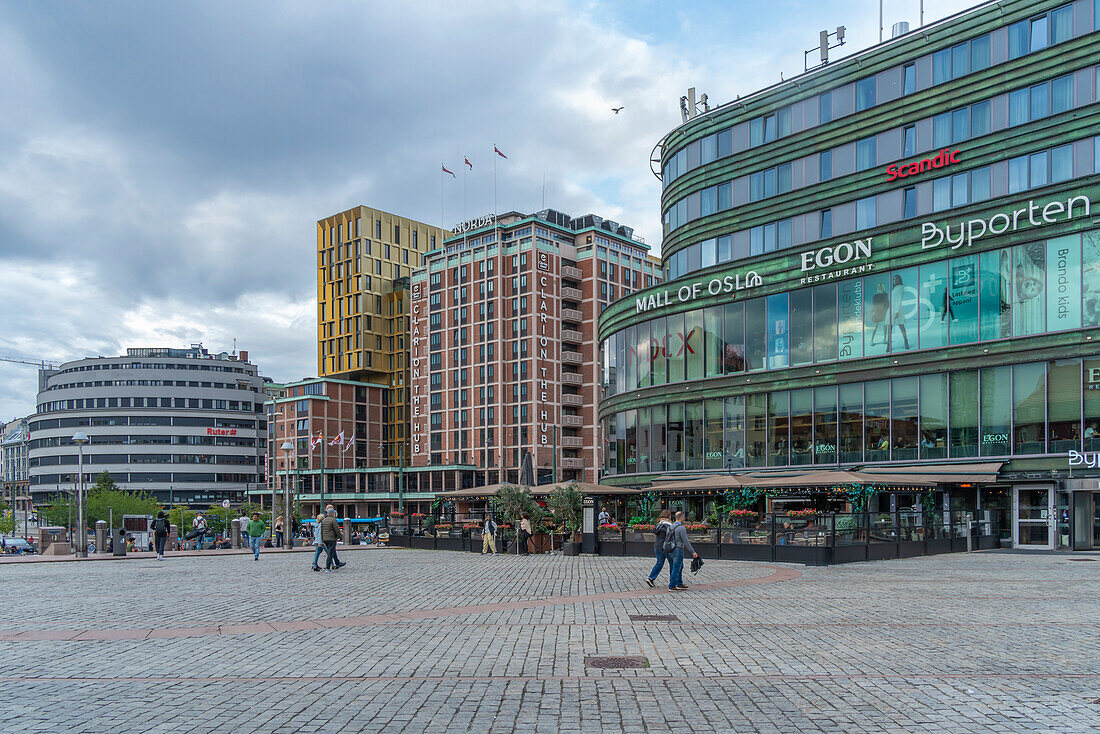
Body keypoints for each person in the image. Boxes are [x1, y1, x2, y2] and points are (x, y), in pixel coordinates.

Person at [668, 511, 699, 591]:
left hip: (671, 549)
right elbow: (686, 542)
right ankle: (672, 586)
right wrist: (693, 552)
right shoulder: (681, 528)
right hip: (678, 549)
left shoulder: (670, 527)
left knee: (679, 566)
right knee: (676, 567)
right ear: (682, 517)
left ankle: (679, 583)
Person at [645, 510, 674, 588]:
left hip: (657, 546)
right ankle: (673, 580)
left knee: (659, 563)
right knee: (672, 563)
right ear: (669, 516)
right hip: (666, 547)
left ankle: (651, 578)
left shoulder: (659, 525)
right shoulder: (669, 525)